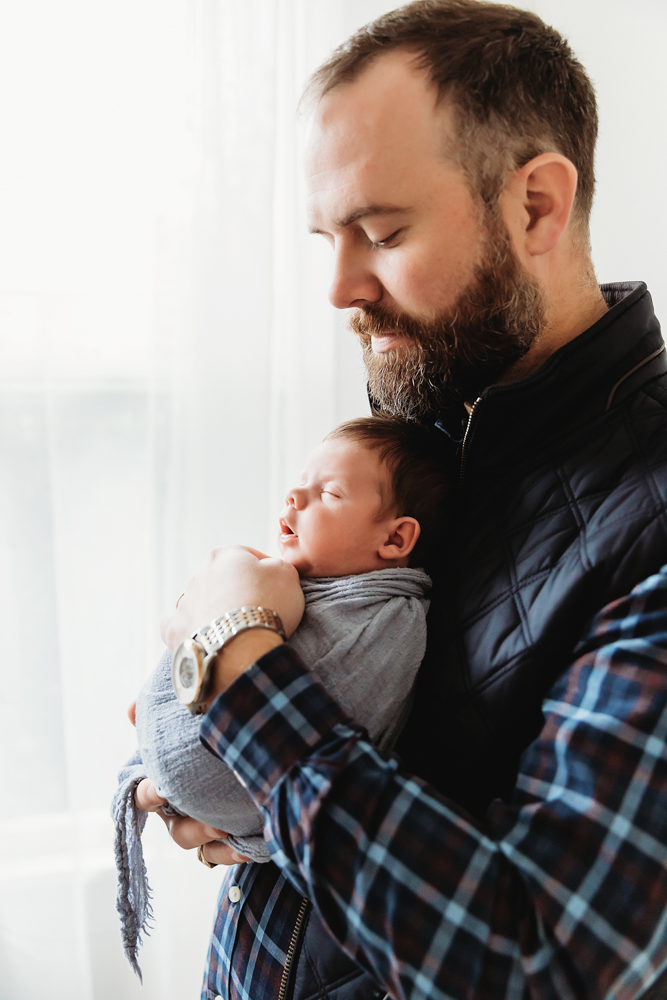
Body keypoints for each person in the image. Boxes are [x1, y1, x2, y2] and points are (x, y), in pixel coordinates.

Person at [155, 3, 667, 999]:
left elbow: (537, 961)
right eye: (327, 237)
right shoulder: (425, 430)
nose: (341, 287)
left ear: (535, 207)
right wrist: (197, 765)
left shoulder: (651, 525)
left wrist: (236, 664)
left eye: (381, 233)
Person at [117, 417, 448, 977]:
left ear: (395, 539)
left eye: (330, 493)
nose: (294, 496)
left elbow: (345, 711)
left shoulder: (386, 622)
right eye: (301, 481)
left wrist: (221, 631)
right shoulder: (312, 587)